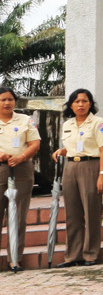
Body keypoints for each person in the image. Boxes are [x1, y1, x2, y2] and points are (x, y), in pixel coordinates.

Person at [52, 88, 103, 267]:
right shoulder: (68, 124)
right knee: (72, 213)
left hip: (91, 166)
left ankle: (91, 254)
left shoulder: (98, 123)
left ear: (90, 104)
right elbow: (72, 146)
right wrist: (62, 151)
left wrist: (102, 174)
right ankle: (72, 255)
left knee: (91, 210)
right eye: (77, 101)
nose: (80, 104)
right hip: (70, 168)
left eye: (84, 101)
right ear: (71, 105)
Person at [0, 86, 41, 272]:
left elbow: (35, 143)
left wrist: (22, 156)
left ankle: (14, 259)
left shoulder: (25, 120)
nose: (7, 103)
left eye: (10, 99)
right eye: (2, 100)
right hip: (0, 168)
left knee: (18, 216)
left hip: (22, 169)